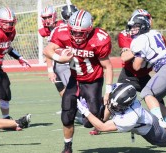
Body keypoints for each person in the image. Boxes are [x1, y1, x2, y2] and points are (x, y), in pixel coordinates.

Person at [43, 10, 113, 153]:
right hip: (74, 79)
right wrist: (60, 59)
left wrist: (109, 91)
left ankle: (101, 106)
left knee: (89, 123)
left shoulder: (99, 38)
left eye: (81, 33)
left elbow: (108, 66)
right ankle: (67, 147)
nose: (77, 36)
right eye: (74, 32)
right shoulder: (62, 32)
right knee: (67, 115)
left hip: (93, 81)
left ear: (89, 30)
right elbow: (48, 50)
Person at [117, 9, 166, 134]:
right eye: (132, 27)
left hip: (165, 68)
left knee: (147, 93)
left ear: (142, 26)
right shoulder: (155, 33)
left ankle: (158, 121)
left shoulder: (139, 40)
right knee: (155, 99)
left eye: (136, 27)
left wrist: (136, 54)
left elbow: (136, 67)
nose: (132, 30)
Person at [77, 83, 166, 150]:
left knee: (164, 141)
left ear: (126, 105)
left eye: (117, 107)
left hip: (149, 127)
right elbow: (115, 90)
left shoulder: (130, 117)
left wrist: (86, 111)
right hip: (145, 116)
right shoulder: (123, 90)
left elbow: (102, 127)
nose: (112, 106)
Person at [0, 7, 31, 122]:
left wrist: (19, 57)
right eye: (6, 23)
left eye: (11, 23)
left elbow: (7, 47)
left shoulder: (12, 32)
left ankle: (6, 118)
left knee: (5, 92)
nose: (9, 25)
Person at [39, 5, 78, 98]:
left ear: (55, 16)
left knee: (73, 87)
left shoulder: (62, 26)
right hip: (58, 61)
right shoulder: (45, 30)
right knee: (59, 85)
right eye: (44, 18)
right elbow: (50, 49)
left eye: (49, 17)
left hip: (70, 60)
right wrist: (50, 67)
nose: (47, 20)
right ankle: (67, 105)